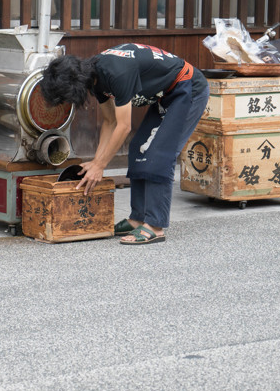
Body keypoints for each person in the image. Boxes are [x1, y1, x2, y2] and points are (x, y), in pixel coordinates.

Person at [39, 44, 209, 245]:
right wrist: (96, 162)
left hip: (188, 87)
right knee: (138, 148)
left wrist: (101, 165)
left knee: (158, 153)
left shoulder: (115, 72)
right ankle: (138, 218)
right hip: (166, 95)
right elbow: (110, 121)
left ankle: (155, 226)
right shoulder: (94, 76)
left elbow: (124, 126)